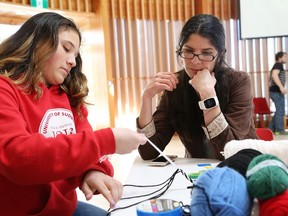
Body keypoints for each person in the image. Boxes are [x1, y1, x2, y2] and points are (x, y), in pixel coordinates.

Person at [0, 12, 147, 216]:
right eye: (66, 49)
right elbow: (18, 157)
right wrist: (106, 140)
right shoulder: (5, 89)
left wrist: (92, 170)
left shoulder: (67, 95)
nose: (72, 62)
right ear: (36, 42)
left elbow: (82, 141)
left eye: (75, 55)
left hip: (62, 208)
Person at [136, 14, 258, 161]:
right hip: (198, 173)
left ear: (220, 54)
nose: (195, 61)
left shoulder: (239, 82)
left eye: (206, 53)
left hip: (244, 169)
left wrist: (208, 95)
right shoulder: (175, 86)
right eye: (188, 51)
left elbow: (229, 152)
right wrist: (146, 98)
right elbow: (149, 152)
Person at [268, 51, 288, 135]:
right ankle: (279, 129)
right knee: (280, 111)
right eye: (285, 57)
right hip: (276, 91)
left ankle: (270, 129)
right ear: (279, 58)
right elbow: (274, 75)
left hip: (275, 91)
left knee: (279, 111)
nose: (286, 58)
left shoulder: (278, 65)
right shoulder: (278, 64)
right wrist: (281, 87)